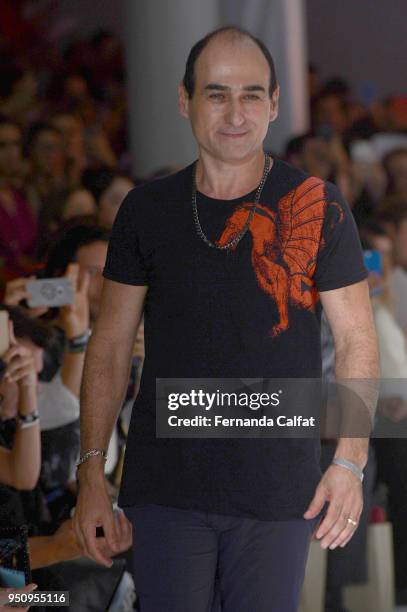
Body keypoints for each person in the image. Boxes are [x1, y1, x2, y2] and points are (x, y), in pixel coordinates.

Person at [74, 26, 379, 612]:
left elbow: (357, 341)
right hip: (164, 489)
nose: (234, 113)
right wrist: (92, 474)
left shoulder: (319, 205)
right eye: (216, 94)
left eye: (250, 95)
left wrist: (350, 460)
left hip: (278, 488)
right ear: (185, 100)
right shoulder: (146, 211)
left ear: (275, 103)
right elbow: (110, 345)